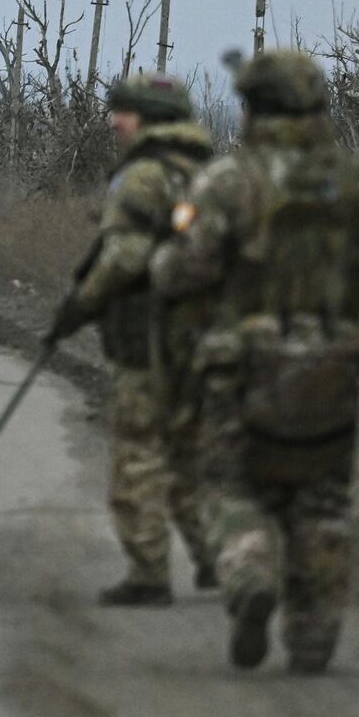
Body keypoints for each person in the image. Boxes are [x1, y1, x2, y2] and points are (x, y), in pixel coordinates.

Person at [151, 49, 359, 673]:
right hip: (331, 372)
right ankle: (313, 637)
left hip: (239, 370)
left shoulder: (226, 183)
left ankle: (250, 572)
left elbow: (178, 272)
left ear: (252, 109)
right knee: (321, 502)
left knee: (228, 485)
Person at [49, 71, 216, 606]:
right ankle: (224, 558)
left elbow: (124, 257)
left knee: (139, 453)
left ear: (147, 118)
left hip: (149, 337)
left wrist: (81, 305)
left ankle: (149, 573)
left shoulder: (142, 176)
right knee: (190, 453)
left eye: (122, 112)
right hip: (209, 336)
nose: (113, 121)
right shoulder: (210, 173)